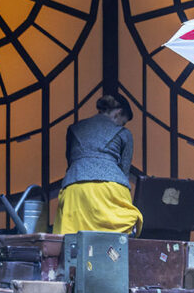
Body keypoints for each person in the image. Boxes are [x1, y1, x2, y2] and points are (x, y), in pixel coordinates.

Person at [55, 94, 143, 236]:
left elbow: (70, 161)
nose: (121, 125)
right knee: (117, 239)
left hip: (76, 187)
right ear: (118, 112)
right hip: (111, 189)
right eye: (123, 122)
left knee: (72, 238)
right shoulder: (124, 133)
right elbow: (125, 170)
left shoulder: (74, 129)